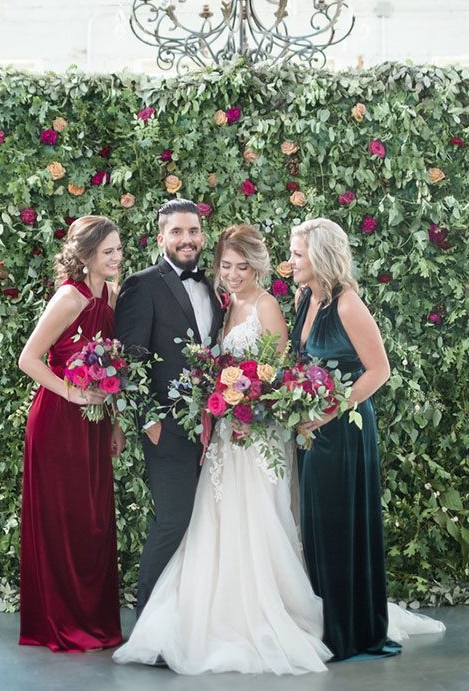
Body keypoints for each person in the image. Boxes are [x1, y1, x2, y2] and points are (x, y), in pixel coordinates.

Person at [113, 224, 332, 674]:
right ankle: (203, 611)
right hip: (221, 436)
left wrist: (245, 399)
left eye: (241, 267)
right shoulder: (227, 305)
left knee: (254, 519)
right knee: (212, 522)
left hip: (253, 437)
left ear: (257, 266)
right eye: (226, 266)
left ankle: (255, 611)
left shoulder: (267, 306)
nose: (232, 274)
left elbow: (276, 376)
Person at [289, 217, 445, 660]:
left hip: (345, 431)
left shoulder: (347, 304)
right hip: (312, 432)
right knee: (316, 529)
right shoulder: (305, 298)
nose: (291, 262)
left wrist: (328, 410)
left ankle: (351, 632)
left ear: (319, 256)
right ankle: (329, 621)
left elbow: (380, 371)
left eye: (297, 254)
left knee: (340, 526)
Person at [18, 215, 125, 652]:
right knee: (65, 522)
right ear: (85, 257)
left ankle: (94, 621)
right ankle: (61, 623)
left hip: (95, 426)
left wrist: (115, 420)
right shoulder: (69, 297)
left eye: (119, 249)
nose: (117, 257)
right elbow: (29, 358)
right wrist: (73, 394)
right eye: (109, 252)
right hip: (57, 423)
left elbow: (115, 364)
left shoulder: (111, 293)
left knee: (94, 522)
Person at [114, 199, 223, 618]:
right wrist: (148, 420)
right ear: (160, 238)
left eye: (193, 231)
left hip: (210, 424)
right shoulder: (143, 284)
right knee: (173, 521)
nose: (187, 239)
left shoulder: (213, 285)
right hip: (167, 429)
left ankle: (190, 618)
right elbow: (130, 358)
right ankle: (147, 622)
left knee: (203, 525)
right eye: (176, 232)